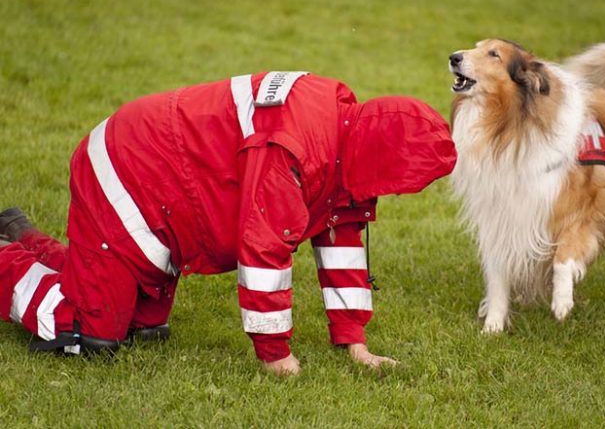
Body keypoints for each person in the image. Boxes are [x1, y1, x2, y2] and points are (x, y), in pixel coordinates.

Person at [0, 71, 456, 375]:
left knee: (146, 327)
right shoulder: (293, 149)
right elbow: (263, 252)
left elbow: (341, 236)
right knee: (90, 334)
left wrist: (354, 340)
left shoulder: (347, 136)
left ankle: (23, 236)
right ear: (381, 154)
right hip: (130, 169)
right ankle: (8, 262)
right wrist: (276, 356)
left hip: (168, 190)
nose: (394, 192)